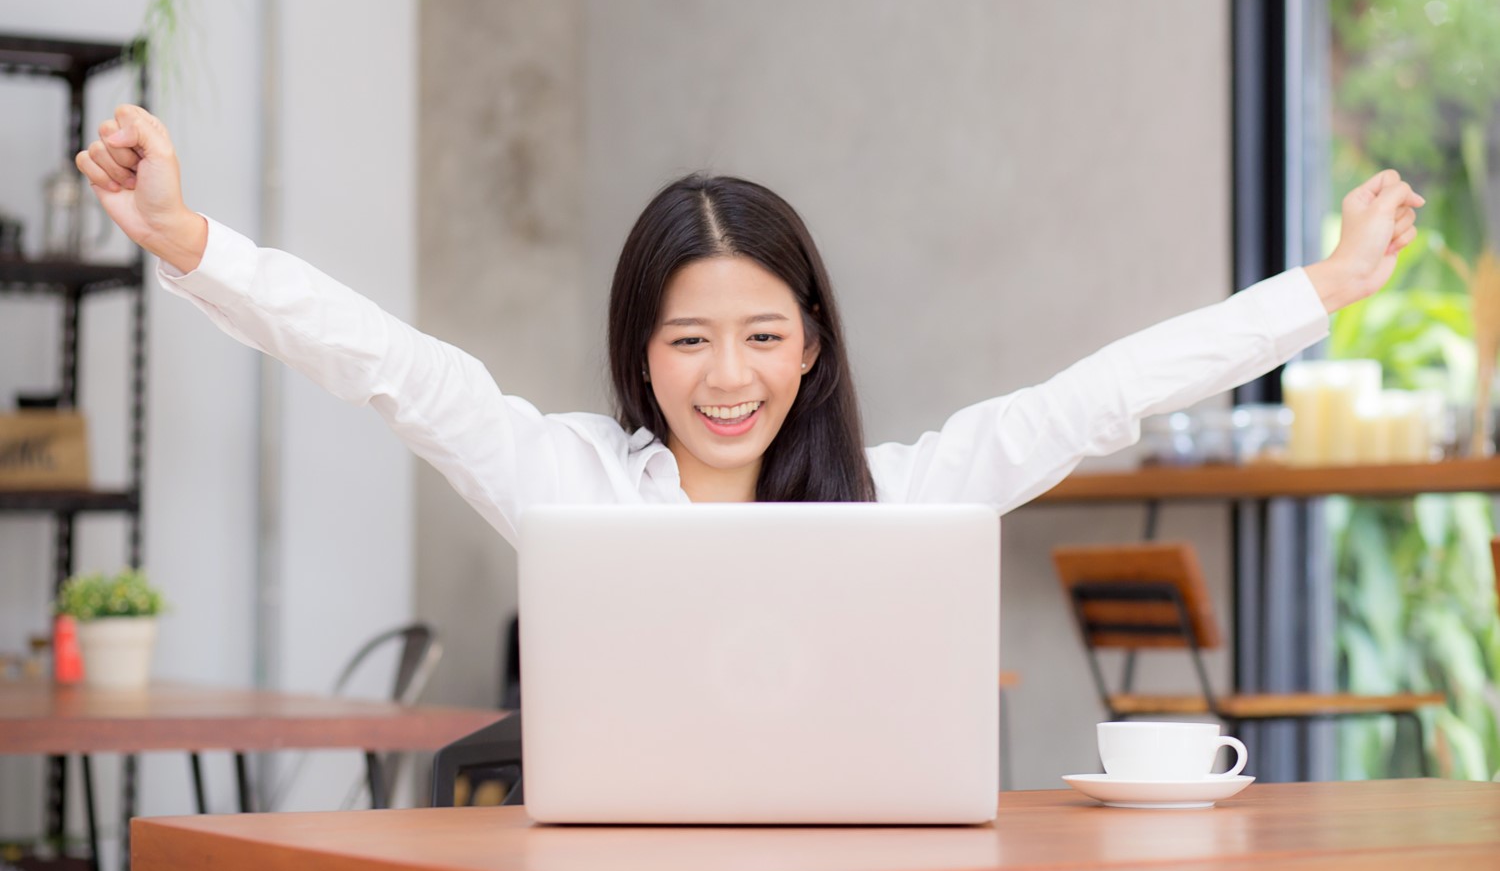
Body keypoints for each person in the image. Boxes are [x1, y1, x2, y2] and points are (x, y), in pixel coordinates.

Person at [76, 105, 1423, 546]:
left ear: (813, 344)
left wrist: (1325, 289)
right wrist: (195, 246)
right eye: (689, 340)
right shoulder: (561, 482)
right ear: (640, 352)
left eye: (764, 336)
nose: (730, 377)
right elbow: (383, 363)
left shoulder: (901, 502)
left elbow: (1098, 396)